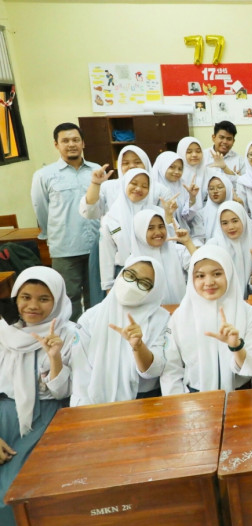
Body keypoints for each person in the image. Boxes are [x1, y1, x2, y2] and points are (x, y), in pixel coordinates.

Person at [0, 267, 75, 526]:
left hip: (46, 418)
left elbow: (63, 392)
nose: (32, 305)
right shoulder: (3, 332)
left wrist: (54, 358)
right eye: (25, 297)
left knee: (18, 494)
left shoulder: (69, 333)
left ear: (58, 299)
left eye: (44, 299)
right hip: (4, 417)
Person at [161, 245, 252, 395]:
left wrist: (237, 347)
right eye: (200, 276)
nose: (209, 282)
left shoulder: (249, 314)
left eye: (217, 274)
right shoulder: (180, 317)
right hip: (194, 397)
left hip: (241, 395)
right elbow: (171, 369)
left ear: (229, 273)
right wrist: (178, 402)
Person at [70, 257, 170, 406]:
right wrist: (85, 410)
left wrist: (138, 346)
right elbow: (80, 372)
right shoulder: (90, 318)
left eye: (144, 283)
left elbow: (154, 371)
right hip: (94, 400)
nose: (132, 285)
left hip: (145, 400)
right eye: (130, 275)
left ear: (154, 291)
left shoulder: (161, 319)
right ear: (121, 274)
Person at [31, 123, 102, 320]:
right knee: (68, 298)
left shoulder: (96, 170)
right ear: (56, 144)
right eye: (65, 141)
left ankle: (95, 332)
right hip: (65, 247)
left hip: (96, 245)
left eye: (76, 140)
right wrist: (52, 233)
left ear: (83, 143)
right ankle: (72, 335)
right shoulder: (44, 175)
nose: (71, 144)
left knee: (97, 295)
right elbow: (41, 209)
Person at [98, 168, 159, 292]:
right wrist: (108, 285)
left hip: (155, 272)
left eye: (144, 186)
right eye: (134, 183)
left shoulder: (157, 213)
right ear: (124, 184)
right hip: (124, 275)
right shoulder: (111, 219)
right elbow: (106, 253)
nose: (138, 188)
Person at [130, 208, 195, 305]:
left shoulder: (178, 251)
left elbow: (201, 267)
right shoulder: (133, 262)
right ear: (140, 232)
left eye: (161, 226)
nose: (158, 232)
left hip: (181, 310)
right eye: (150, 228)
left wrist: (188, 243)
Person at [206, 201, 252, 297]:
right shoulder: (213, 247)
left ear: (243, 220)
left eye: (235, 221)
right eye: (225, 223)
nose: (231, 227)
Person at [153, 151, 203, 243]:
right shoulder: (153, 189)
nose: (176, 172)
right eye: (172, 167)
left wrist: (192, 198)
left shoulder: (183, 186)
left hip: (182, 236)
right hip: (160, 237)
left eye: (180, 169)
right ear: (162, 166)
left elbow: (187, 217)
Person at [200, 173, 234, 241]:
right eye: (211, 189)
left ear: (228, 189)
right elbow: (197, 237)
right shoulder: (201, 214)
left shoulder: (236, 212)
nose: (215, 191)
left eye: (219, 187)